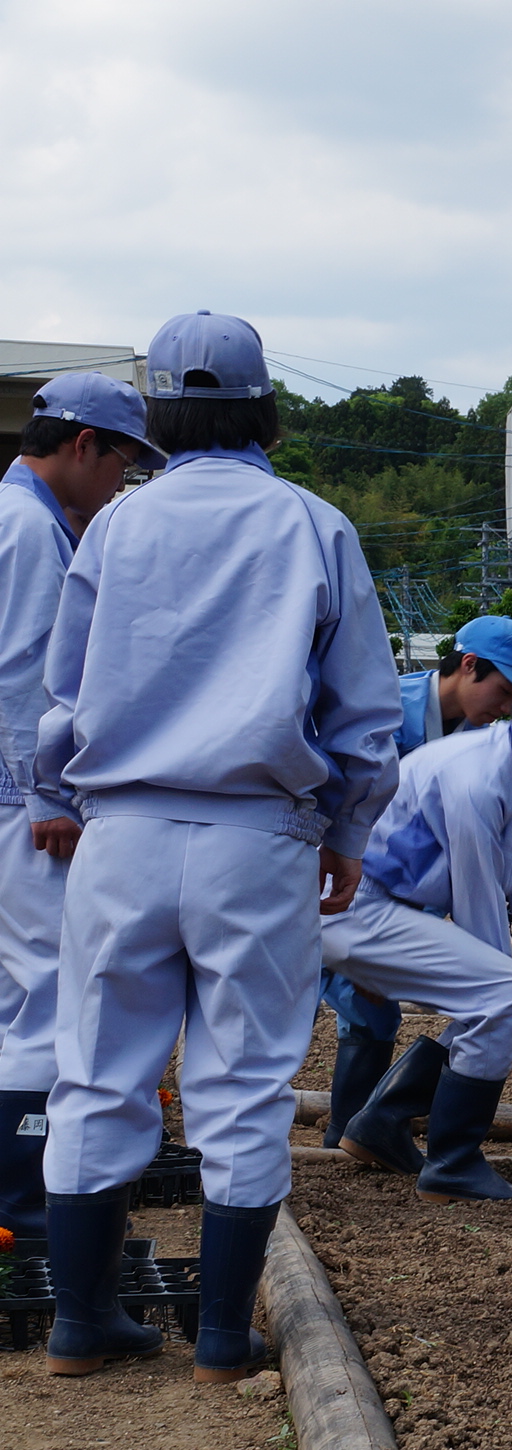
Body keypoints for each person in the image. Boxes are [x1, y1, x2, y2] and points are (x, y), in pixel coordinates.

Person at [34, 312, 400, 1380]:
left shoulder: (116, 527)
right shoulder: (314, 524)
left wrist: (60, 794)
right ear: (263, 409)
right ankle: (221, 1333)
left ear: (157, 410)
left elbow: (64, 693)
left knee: (99, 1075)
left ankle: (80, 1323)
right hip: (258, 832)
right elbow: (365, 715)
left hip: (125, 830)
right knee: (240, 1083)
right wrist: (348, 830)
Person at [330, 652, 512, 1201]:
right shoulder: (479, 777)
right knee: (504, 995)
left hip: (388, 912)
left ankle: (380, 1122)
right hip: (353, 903)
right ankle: (453, 1163)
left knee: (506, 997)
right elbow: (480, 904)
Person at [0, 375, 165, 1240]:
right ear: (82, 445)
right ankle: (23, 1207)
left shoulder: (13, 512)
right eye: (122, 464)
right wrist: (46, 796)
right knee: (46, 988)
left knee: (9, 994)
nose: (120, 485)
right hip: (17, 801)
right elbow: (25, 683)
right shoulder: (31, 532)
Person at [318, 614, 512, 1152]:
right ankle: (345, 1132)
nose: (507, 708)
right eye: (503, 691)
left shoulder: (480, 738)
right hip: (335, 879)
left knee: (372, 1007)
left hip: (393, 894)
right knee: (327, 1002)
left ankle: (355, 1130)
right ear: (468, 666)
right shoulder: (383, 714)